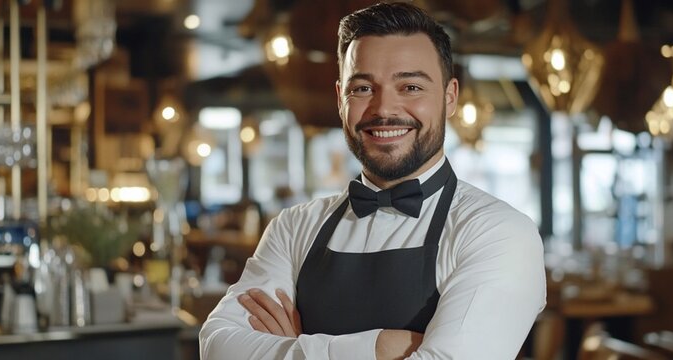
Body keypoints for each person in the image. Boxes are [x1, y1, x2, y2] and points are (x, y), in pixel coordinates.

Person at [199, 2, 546, 359]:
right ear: (340, 99)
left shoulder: (498, 232)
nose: (384, 109)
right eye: (363, 88)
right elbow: (216, 345)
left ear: (449, 97)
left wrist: (292, 347)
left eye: (411, 87)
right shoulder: (293, 228)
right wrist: (380, 348)